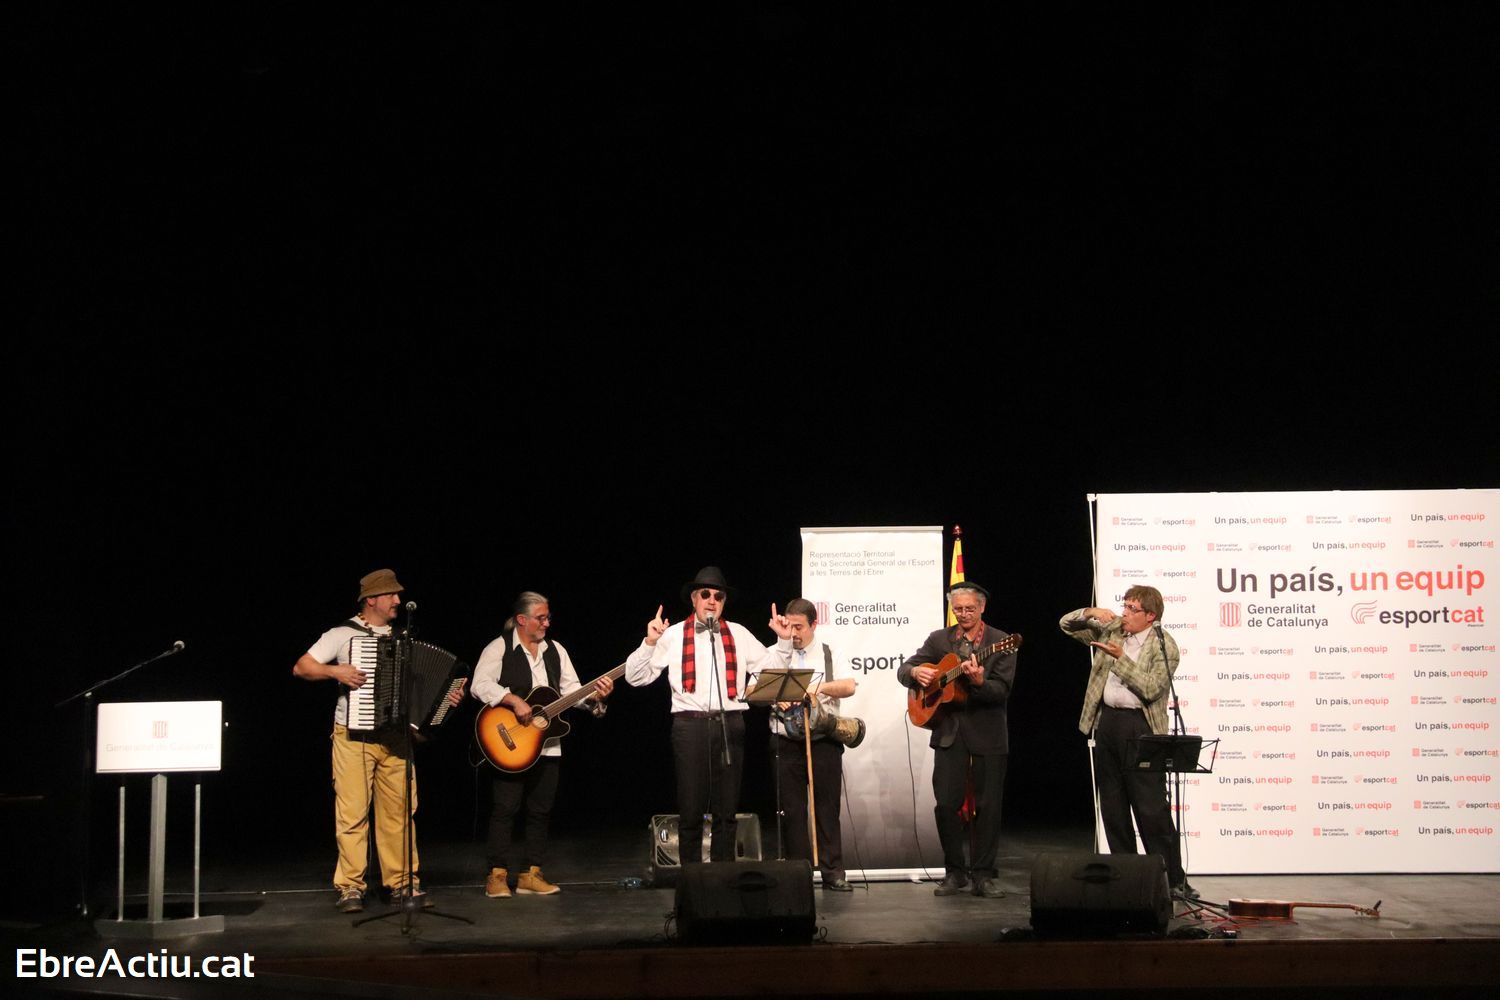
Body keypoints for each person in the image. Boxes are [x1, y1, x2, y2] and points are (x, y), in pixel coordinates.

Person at [293, 568, 463, 913]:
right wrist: (335, 671)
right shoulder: (342, 634)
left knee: (399, 814)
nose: (398, 600)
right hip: (353, 737)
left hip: (396, 738)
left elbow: (421, 692)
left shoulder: (404, 638)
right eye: (391, 595)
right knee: (353, 814)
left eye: (398, 595)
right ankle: (350, 887)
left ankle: (402, 883)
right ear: (371, 600)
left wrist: (445, 699)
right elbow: (302, 667)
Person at [624, 566, 792, 864]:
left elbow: (772, 671)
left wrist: (783, 642)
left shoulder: (738, 633)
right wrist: (649, 642)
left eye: (718, 596)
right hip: (690, 726)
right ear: (694, 599)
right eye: (705, 594)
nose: (712, 601)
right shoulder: (673, 635)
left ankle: (723, 878)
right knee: (691, 810)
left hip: (731, 724)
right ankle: (692, 881)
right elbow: (636, 677)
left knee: (726, 812)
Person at [471, 591, 611, 898]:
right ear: (522, 620)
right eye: (541, 618)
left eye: (548, 617)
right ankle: (497, 875)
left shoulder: (555, 650)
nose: (547, 623)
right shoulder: (500, 647)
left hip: (547, 743)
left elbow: (573, 691)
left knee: (540, 810)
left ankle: (530, 874)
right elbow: (479, 684)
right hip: (510, 743)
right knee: (505, 808)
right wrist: (512, 699)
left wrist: (595, 697)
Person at [1059, 585, 1195, 897]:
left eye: (1133, 609)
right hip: (1108, 722)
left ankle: (1173, 879)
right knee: (1113, 806)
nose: (1125, 613)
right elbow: (1066, 625)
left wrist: (1121, 659)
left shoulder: (1164, 646)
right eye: (1125, 606)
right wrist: (1090, 612)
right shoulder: (1112, 631)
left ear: (1151, 616)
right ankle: (1127, 878)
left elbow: (1151, 688)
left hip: (1141, 727)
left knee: (1151, 808)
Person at [896, 582, 1017, 898]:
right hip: (949, 733)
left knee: (988, 807)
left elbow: (1001, 691)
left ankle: (983, 876)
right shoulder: (939, 639)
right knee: (946, 805)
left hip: (988, 734)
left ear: (982, 608)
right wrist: (916, 673)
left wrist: (979, 682)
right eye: (958, 609)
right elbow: (904, 669)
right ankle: (955, 872)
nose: (963, 614)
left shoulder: (1001, 641)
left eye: (969, 609)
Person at [763, 598, 857, 891]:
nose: (793, 633)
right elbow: (757, 689)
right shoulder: (776, 653)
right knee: (792, 811)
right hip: (785, 741)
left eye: (799, 627)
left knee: (827, 809)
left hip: (822, 741)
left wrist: (815, 688)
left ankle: (833, 872)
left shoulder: (830, 652)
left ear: (814, 624)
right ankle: (798, 873)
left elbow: (849, 686)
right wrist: (777, 695)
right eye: (789, 626)